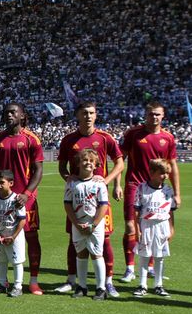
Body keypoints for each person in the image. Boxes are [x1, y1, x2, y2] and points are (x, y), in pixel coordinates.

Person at [55, 102, 125, 296]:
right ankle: (72, 280)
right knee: (74, 239)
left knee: (105, 240)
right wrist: (70, 181)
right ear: (77, 115)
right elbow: (62, 167)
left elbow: (119, 163)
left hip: (99, 201)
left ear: (96, 115)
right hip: (78, 199)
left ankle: (108, 282)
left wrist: (108, 182)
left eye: (91, 113)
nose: (88, 116)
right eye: (84, 113)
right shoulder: (69, 140)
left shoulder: (105, 138)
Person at [0, 103, 44, 294]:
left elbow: (38, 170)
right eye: (6, 112)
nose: (9, 115)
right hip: (2, 199)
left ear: (22, 116)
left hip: (25, 198)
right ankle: (2, 281)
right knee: (0, 237)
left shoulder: (31, 139)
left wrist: (27, 194)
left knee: (31, 237)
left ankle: (33, 281)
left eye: (13, 112)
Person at [120, 101, 180, 282]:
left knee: (155, 227)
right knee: (131, 226)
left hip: (158, 188)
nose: (154, 117)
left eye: (157, 114)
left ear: (163, 116)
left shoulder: (168, 138)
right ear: (145, 115)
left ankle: (151, 267)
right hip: (135, 185)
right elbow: (120, 159)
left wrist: (177, 193)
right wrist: (117, 184)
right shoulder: (133, 134)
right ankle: (130, 268)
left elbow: (173, 166)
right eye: (151, 114)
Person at [64, 149, 111, 300]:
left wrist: (94, 224)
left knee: (97, 254)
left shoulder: (99, 184)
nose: (88, 163)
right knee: (81, 254)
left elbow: (103, 205)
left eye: (91, 161)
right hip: (78, 224)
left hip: (95, 225)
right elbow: (67, 204)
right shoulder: (72, 183)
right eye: (84, 160)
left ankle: (101, 288)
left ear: (96, 165)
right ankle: (82, 286)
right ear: (78, 163)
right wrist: (77, 224)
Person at [131, 158, 176, 298]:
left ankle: (158, 285)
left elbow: (171, 211)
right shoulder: (142, 188)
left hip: (162, 225)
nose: (165, 176)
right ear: (152, 172)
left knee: (159, 256)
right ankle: (142, 285)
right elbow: (136, 210)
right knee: (144, 256)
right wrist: (137, 228)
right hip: (146, 225)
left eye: (167, 173)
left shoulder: (168, 190)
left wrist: (171, 228)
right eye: (162, 173)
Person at [0, 170, 27, 298]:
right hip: (1, 235)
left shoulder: (17, 200)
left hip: (14, 236)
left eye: (2, 182)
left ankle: (18, 287)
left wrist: (13, 236)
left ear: (11, 183)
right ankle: (2, 284)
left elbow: (22, 220)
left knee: (17, 261)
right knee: (1, 260)